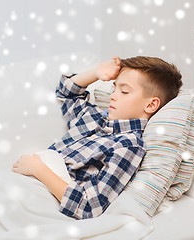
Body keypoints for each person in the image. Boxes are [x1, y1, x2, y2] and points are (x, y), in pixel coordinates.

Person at [12, 56, 183, 219]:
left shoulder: (128, 146)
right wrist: (95, 73)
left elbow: (90, 206)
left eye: (124, 91)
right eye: (114, 88)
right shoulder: (94, 118)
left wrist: (38, 169)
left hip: (42, 190)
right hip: (22, 180)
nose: (113, 95)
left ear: (151, 104)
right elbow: (66, 93)